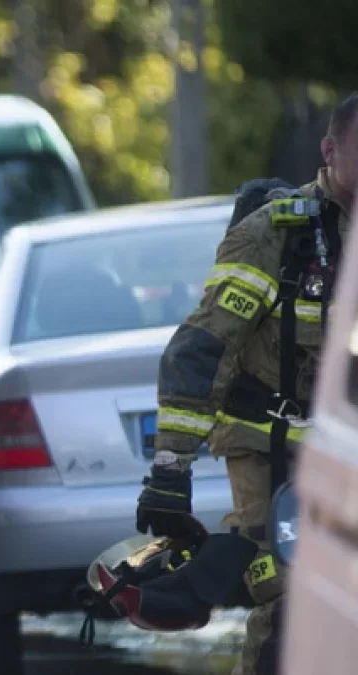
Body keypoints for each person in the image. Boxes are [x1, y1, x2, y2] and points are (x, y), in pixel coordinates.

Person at [138, 93, 358, 675]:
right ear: (330, 151)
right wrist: (169, 470)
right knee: (289, 591)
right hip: (271, 442)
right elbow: (201, 348)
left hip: (348, 446)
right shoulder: (274, 237)